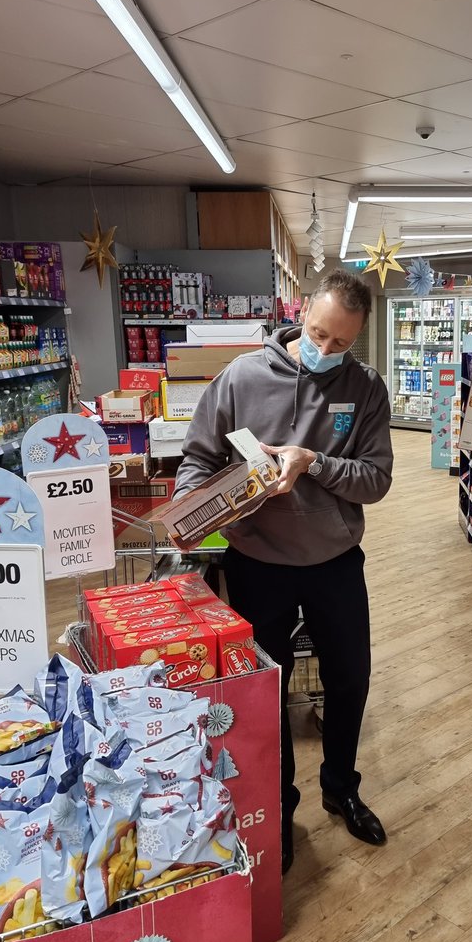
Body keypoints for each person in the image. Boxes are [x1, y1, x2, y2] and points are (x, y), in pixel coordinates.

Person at [175, 269, 394, 873]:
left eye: (341, 344)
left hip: (335, 562)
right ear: (301, 315)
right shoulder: (243, 376)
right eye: (318, 334)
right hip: (257, 563)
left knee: (349, 681)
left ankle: (341, 788)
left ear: (359, 339)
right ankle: (279, 803)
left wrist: (314, 462)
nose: (325, 351)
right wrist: (192, 513)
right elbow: (199, 457)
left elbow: (375, 479)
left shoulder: (366, 389)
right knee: (263, 692)